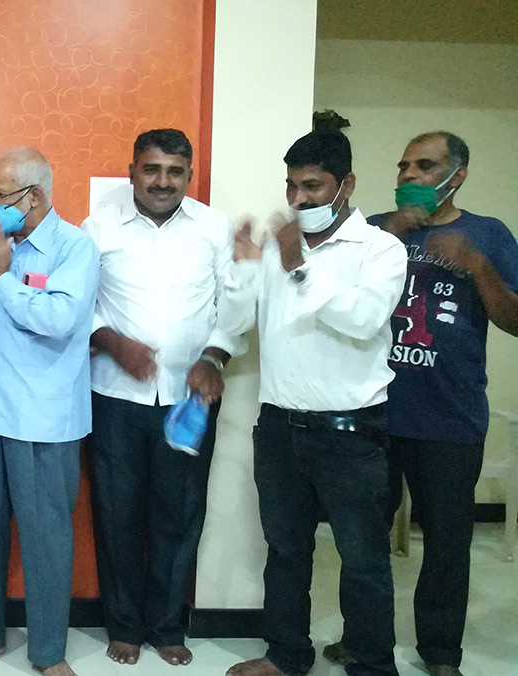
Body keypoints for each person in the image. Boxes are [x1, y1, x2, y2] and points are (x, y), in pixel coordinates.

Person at [323, 132, 518, 676]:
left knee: (447, 544)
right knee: (361, 540)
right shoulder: (371, 228)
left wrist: (477, 265)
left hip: (449, 416)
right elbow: (322, 287)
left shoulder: (487, 235)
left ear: (457, 175)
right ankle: (363, 638)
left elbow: (515, 320)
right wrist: (387, 232)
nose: (408, 174)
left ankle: (440, 653)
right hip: (371, 411)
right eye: (404, 165)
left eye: (424, 165)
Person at [221, 131, 407, 676]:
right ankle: (286, 655)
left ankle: (371, 665)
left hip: (351, 434)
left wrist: (298, 266)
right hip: (279, 428)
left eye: (312, 186)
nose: (298, 199)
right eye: (291, 186)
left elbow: (363, 319)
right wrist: (244, 267)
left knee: (364, 561)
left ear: (346, 185)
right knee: (285, 552)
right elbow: (238, 321)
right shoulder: (281, 249)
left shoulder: (380, 249)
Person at [82, 128, 242, 667]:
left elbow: (235, 304)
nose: (162, 181)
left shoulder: (212, 227)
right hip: (114, 396)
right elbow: (76, 301)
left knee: (180, 515)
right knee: (116, 513)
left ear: (189, 176)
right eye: (151, 169)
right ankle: (124, 626)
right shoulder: (98, 226)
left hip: (190, 398)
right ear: (132, 171)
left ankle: (168, 626)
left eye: (175, 172)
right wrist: (111, 342)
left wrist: (214, 357)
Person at [0, 147, 99, 676]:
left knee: (48, 539)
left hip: (45, 418)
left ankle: (48, 653)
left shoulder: (75, 247)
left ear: (33, 196)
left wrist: (0, 277)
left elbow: (58, 318)